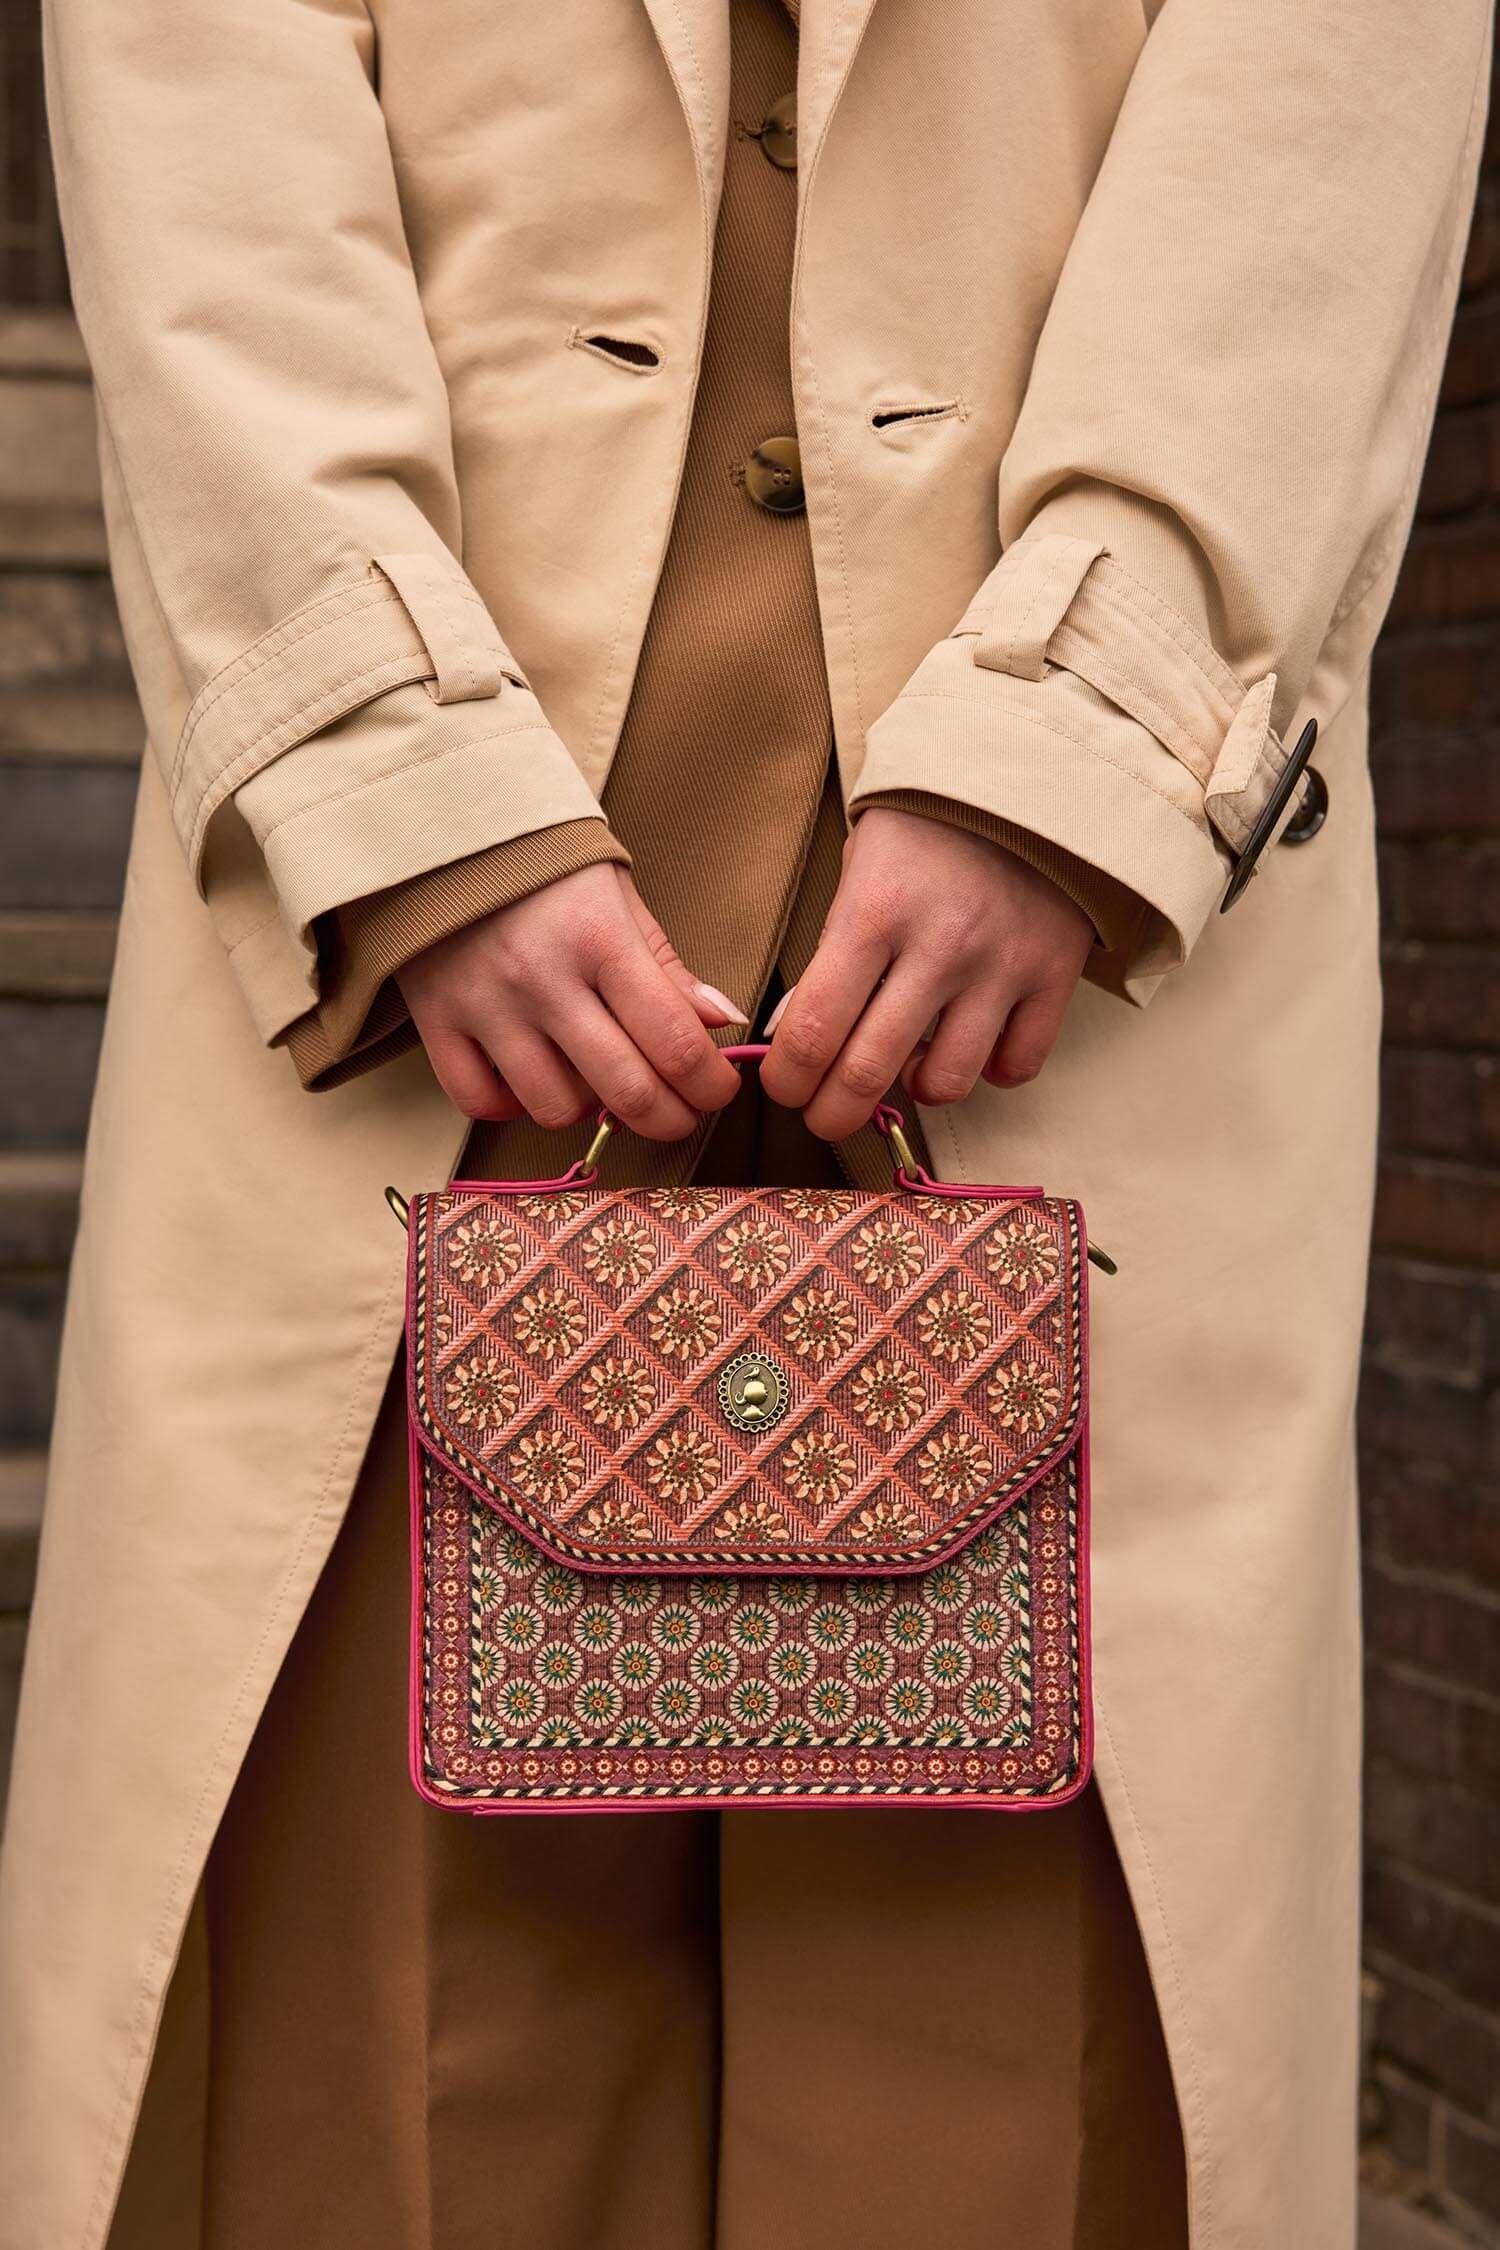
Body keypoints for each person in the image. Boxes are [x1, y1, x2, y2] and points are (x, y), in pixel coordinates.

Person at [1, 1, 1489, 2244]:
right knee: (391, 2034)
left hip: (1068, 959)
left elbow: (1331, 91)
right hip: (443, 946)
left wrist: (1093, 740)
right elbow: (204, 109)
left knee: (1015, 2048)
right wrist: (395, 786)